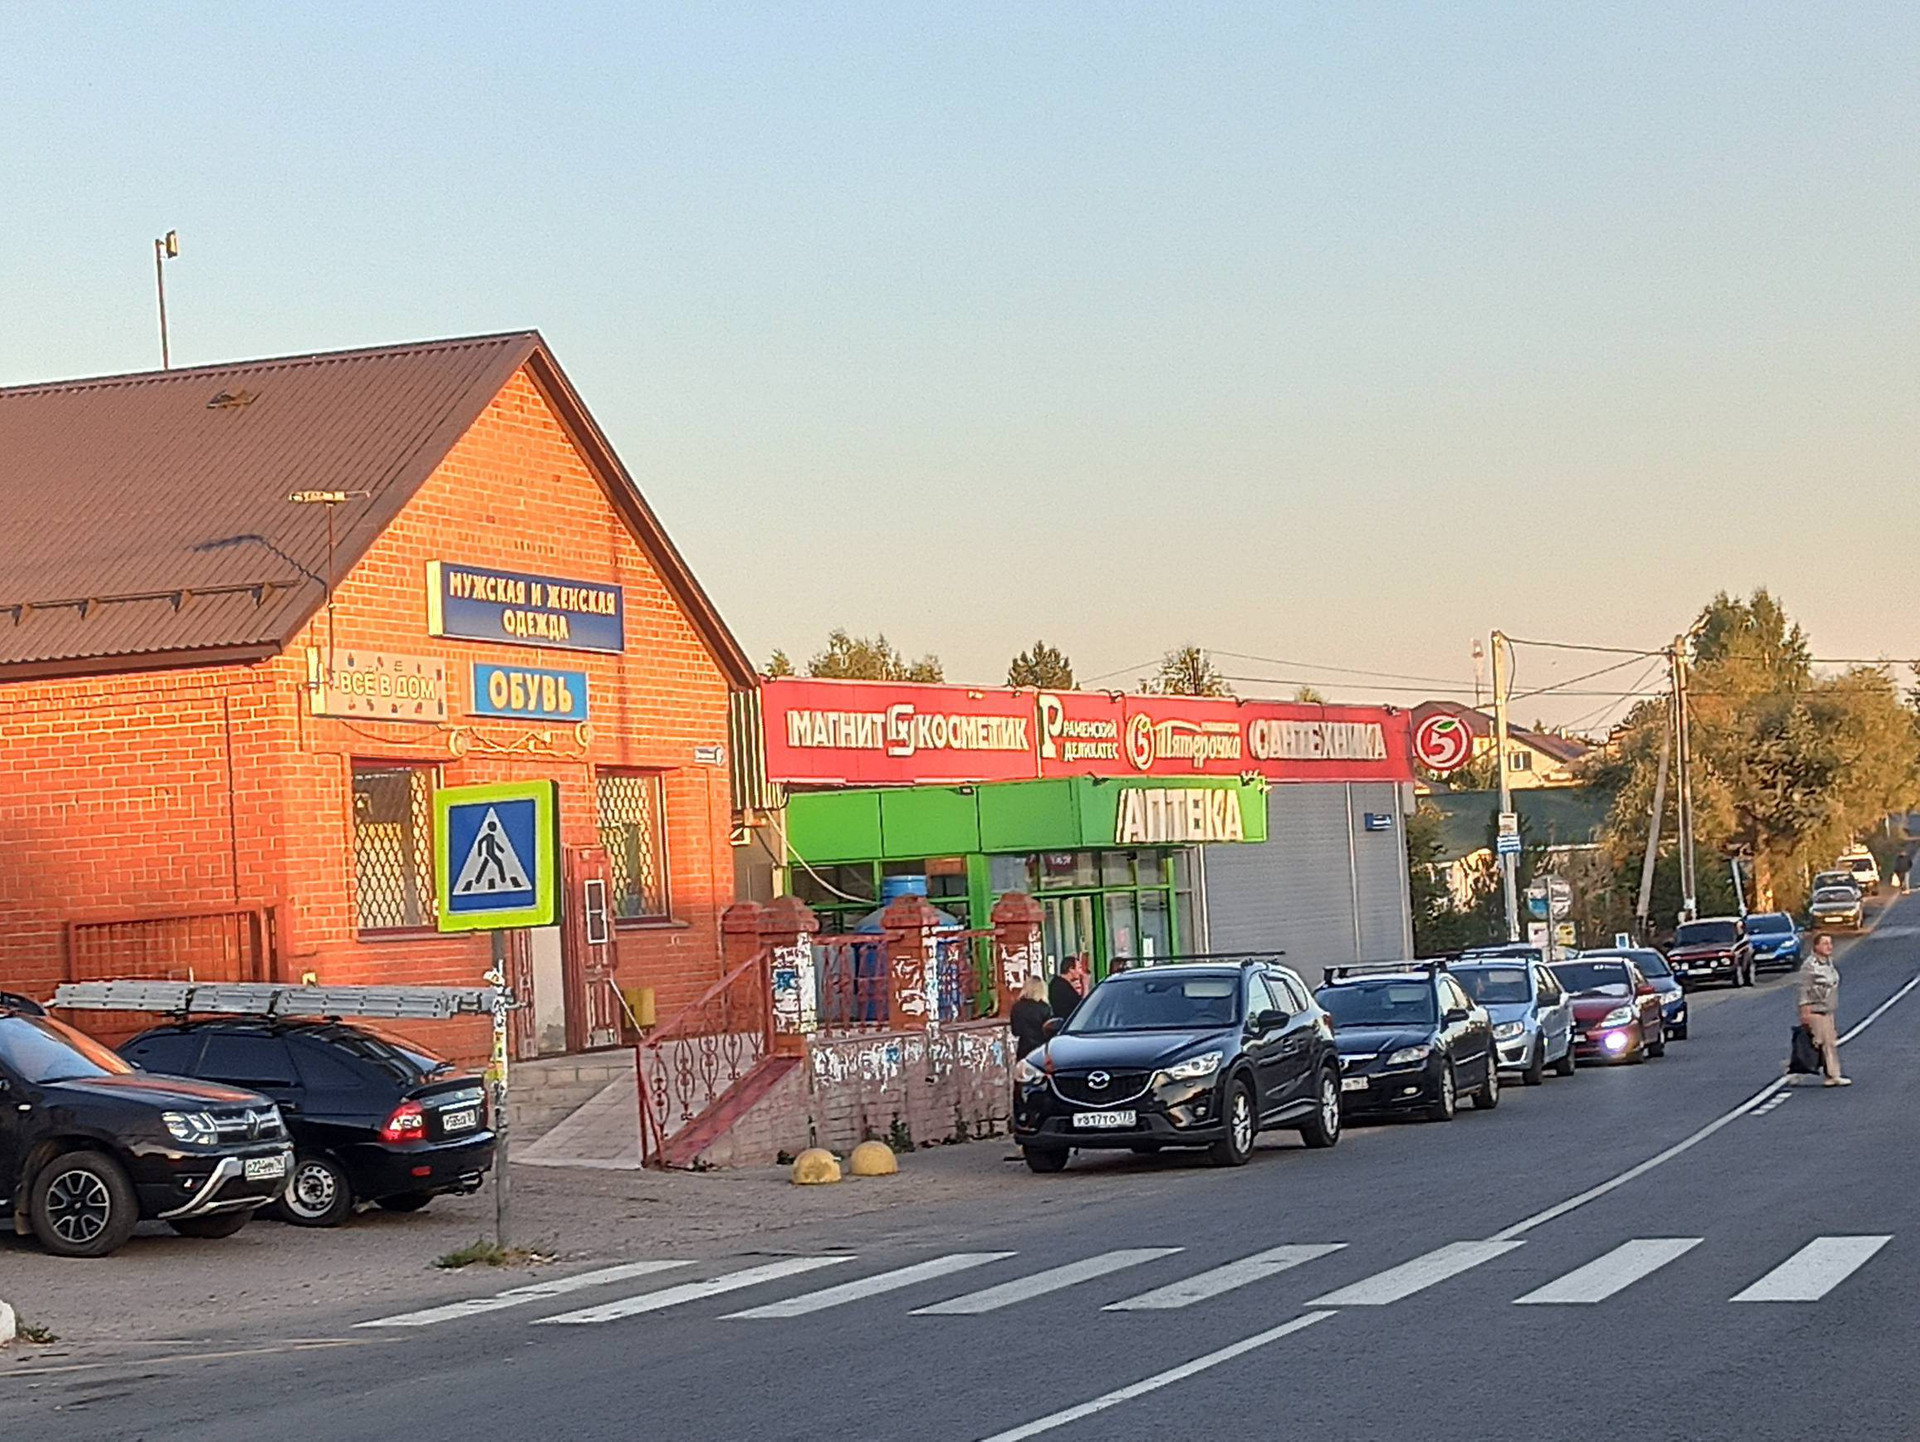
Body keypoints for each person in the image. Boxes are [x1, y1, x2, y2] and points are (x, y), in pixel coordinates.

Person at [1798, 932, 1849, 1087]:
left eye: (1830, 943)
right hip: (1815, 1009)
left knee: (1825, 1043)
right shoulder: (1810, 966)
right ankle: (1832, 1075)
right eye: (1825, 943)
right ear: (1816, 946)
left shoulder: (1828, 963)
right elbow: (1804, 989)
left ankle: (1798, 1068)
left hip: (1827, 1009)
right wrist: (1804, 1011)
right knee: (1821, 1043)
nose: (1829, 946)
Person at [1010, 975, 1052, 1060]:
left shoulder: (1017, 1007)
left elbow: (1015, 1031)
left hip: (1023, 1050)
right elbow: (1049, 1031)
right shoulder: (1044, 1008)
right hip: (1040, 1049)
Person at [1049, 955, 1087, 1021]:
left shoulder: (1058, 983)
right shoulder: (1062, 987)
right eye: (1079, 968)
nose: (1081, 972)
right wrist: (1085, 984)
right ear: (1071, 969)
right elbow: (1082, 1006)